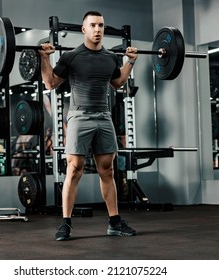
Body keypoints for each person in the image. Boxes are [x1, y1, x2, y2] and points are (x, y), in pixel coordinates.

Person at [39, 10, 138, 241]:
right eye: (93, 25)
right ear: (84, 29)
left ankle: (114, 222)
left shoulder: (111, 58)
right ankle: (65, 223)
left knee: (107, 169)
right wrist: (44, 58)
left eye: (101, 26)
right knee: (74, 169)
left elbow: (118, 82)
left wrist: (130, 62)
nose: (97, 30)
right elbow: (51, 82)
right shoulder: (71, 57)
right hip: (79, 116)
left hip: (103, 116)